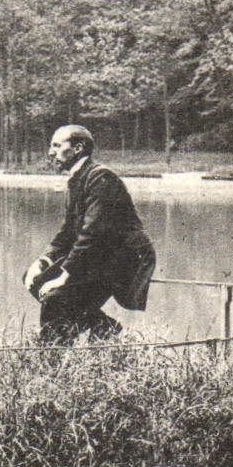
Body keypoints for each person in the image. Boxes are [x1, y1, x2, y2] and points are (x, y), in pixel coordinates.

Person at [23, 125, 157, 343]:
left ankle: (52, 353)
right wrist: (42, 261)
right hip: (100, 256)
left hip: (125, 260)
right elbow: (68, 233)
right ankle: (103, 328)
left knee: (56, 298)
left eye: (57, 145)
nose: (50, 152)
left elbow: (93, 233)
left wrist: (65, 276)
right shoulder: (79, 178)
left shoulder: (100, 178)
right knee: (37, 280)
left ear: (78, 148)